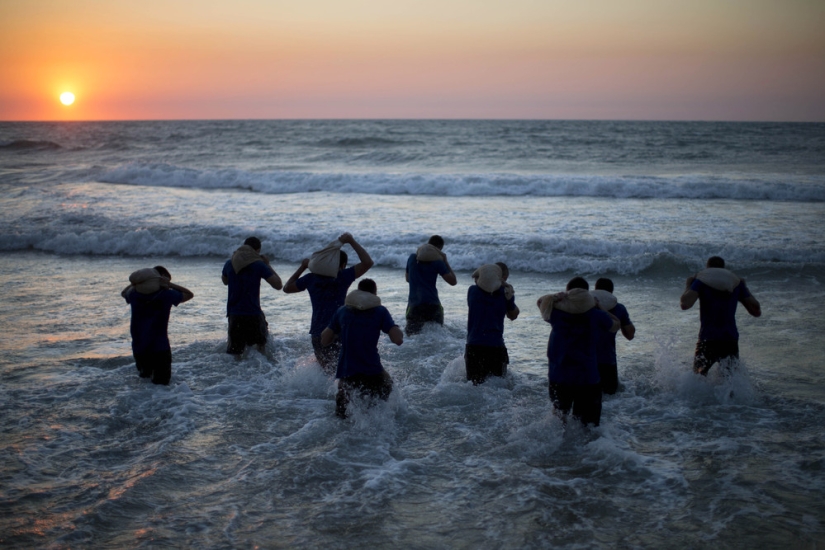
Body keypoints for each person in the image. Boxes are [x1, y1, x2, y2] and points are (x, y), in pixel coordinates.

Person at [283, 233, 374, 373]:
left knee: (327, 374)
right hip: (339, 331)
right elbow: (368, 262)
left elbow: (287, 288)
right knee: (345, 372)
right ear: (342, 265)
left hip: (317, 333)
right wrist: (351, 241)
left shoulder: (311, 278)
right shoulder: (343, 276)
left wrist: (303, 267)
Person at [538, 277, 619, 427]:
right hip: (587, 378)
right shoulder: (597, 316)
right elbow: (616, 324)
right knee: (587, 427)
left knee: (558, 421)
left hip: (559, 376)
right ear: (587, 295)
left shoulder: (555, 315)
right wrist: (599, 306)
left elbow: (540, 302)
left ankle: (559, 448)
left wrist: (557, 298)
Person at [320, 278, 404, 418]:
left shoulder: (342, 312)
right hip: (374, 374)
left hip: (347, 375)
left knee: (342, 419)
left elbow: (324, 340)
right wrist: (394, 327)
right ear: (374, 294)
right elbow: (398, 340)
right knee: (381, 410)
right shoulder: (380, 311)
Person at [680, 256, 761, 375]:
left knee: (697, 378)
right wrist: (744, 288)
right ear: (723, 268)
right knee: (730, 383)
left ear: (708, 268)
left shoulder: (701, 281)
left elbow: (685, 304)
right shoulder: (736, 283)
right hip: (730, 339)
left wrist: (688, 285)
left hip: (707, 339)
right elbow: (756, 312)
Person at [122, 266, 194, 385]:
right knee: (163, 386)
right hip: (160, 349)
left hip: (139, 348)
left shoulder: (133, 294)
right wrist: (170, 285)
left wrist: (135, 283)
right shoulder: (167, 295)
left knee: (145, 385)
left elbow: (124, 293)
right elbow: (189, 294)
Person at [221, 237, 283, 356]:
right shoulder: (259, 265)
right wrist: (268, 265)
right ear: (257, 250)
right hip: (253, 314)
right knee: (261, 351)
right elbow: (278, 285)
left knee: (236, 356)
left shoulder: (229, 263)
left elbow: (225, 281)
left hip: (234, 316)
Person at [465, 262, 520, 384]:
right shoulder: (506, 294)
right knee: (499, 389)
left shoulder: (472, 291)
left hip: (474, 347)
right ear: (503, 278)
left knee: (474, 387)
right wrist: (509, 296)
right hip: (496, 347)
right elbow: (513, 315)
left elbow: (477, 281)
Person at [404, 235, 457, 335]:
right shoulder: (438, 262)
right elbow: (453, 281)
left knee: (410, 337)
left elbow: (408, 279)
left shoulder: (412, 258)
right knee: (437, 337)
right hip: (433, 306)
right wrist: (445, 261)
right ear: (439, 249)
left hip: (414, 306)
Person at [593, 278, 635, 394]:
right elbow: (630, 335)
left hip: (586, 361)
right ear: (611, 292)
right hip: (608, 361)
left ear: (595, 290)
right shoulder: (619, 309)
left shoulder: (585, 308)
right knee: (610, 399)